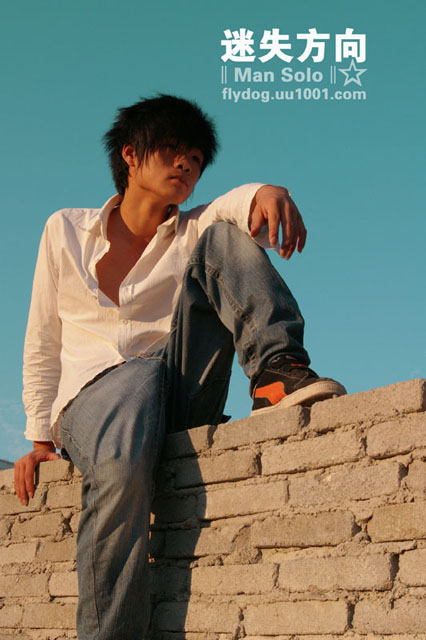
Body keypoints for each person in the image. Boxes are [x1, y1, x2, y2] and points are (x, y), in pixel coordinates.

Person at [14, 94, 346, 639]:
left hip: (175, 392)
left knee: (224, 237)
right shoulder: (65, 230)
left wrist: (267, 191)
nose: (186, 163)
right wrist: (40, 439)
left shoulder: (192, 230)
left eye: (195, 157)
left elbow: (231, 207)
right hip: (92, 401)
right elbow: (42, 338)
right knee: (122, 448)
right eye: (171, 149)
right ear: (130, 154)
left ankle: (276, 371)